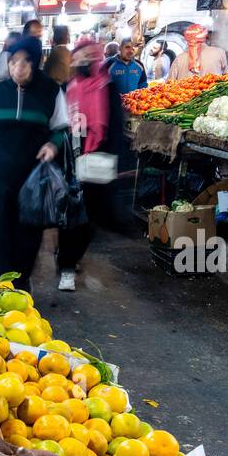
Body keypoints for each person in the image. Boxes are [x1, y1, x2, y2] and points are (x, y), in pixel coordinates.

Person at [0, 36, 70, 289]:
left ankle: (20, 286)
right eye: (13, 61)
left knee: (27, 236)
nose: (18, 67)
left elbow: (61, 128)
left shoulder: (50, 91)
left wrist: (52, 145)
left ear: (36, 62)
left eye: (25, 61)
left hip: (31, 177)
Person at [57, 37, 125, 291]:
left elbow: (115, 127)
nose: (84, 62)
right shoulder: (69, 87)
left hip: (99, 161)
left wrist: (113, 161)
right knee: (71, 214)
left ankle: (72, 257)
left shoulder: (108, 87)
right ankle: (66, 266)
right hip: (71, 161)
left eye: (89, 57)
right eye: (79, 57)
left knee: (91, 217)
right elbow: (61, 125)